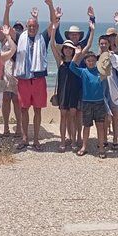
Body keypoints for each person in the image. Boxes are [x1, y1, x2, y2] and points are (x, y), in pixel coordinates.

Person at [13, 0, 57, 151]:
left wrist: (50, 5)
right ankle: (25, 138)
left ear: (37, 27)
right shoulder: (20, 38)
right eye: (29, 26)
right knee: (23, 109)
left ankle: (36, 139)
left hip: (38, 79)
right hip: (24, 79)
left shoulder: (43, 37)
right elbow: (4, 28)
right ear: (26, 26)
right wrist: (6, 8)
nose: (32, 28)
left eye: (34, 26)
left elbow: (53, 23)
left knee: (37, 109)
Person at [50, 20, 94, 151]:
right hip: (63, 93)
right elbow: (52, 45)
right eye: (66, 48)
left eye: (70, 48)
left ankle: (74, 141)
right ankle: (63, 141)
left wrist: (92, 30)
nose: (68, 50)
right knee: (63, 116)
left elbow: (88, 46)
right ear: (63, 49)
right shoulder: (60, 61)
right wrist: (53, 30)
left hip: (74, 92)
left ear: (73, 50)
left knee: (74, 115)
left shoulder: (77, 59)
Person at [68, 48, 109, 158]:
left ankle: (101, 147)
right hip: (86, 103)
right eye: (88, 61)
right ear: (85, 61)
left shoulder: (101, 71)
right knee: (86, 126)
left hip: (99, 102)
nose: (91, 62)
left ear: (96, 61)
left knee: (100, 126)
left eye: (93, 60)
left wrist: (109, 56)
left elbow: (109, 66)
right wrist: (77, 55)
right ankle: (84, 146)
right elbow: (72, 67)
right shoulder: (83, 72)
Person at [0, 0, 23, 138]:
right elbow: (3, 25)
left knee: (17, 101)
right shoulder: (5, 39)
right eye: (16, 27)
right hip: (5, 72)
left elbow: (6, 25)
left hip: (17, 73)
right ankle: (6, 126)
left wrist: (7, 8)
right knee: (5, 99)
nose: (17, 29)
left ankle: (19, 127)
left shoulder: (21, 38)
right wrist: (6, 8)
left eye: (19, 27)